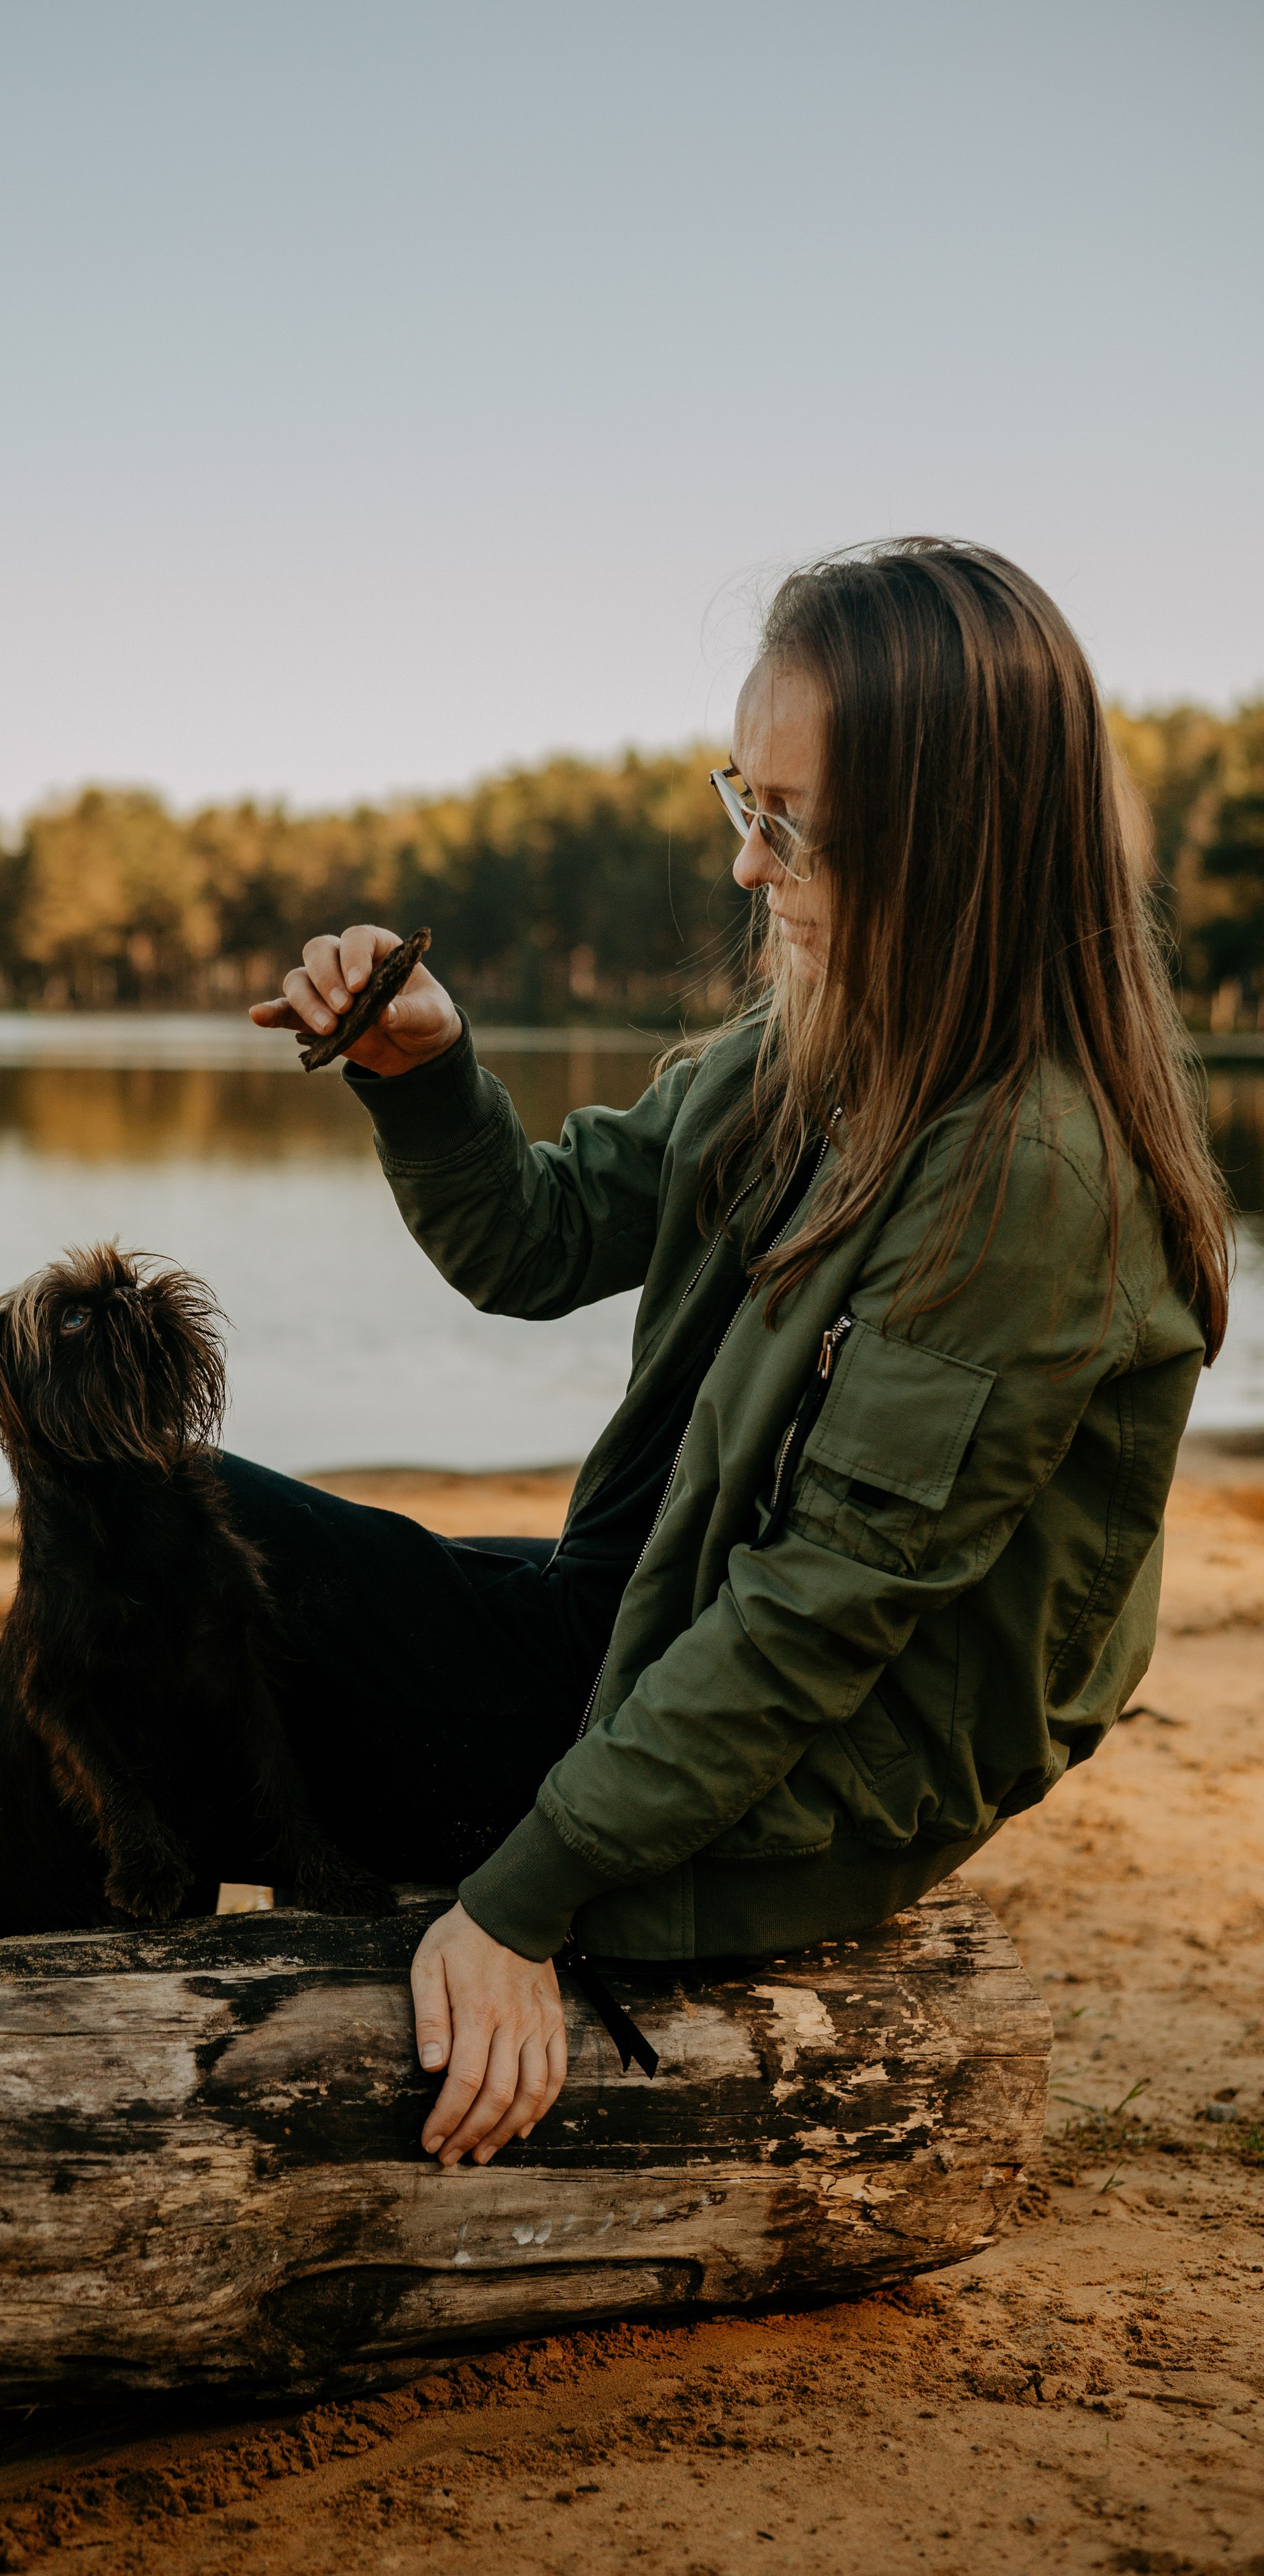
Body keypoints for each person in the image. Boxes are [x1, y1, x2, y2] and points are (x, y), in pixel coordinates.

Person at [239, 536, 1230, 2179]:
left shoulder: (1029, 1179)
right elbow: (534, 1241)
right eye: (739, 801)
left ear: (951, 839)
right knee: (170, 1533)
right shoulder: (808, 1051)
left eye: (791, 825)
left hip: (798, 1786)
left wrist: (519, 1903)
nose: (744, 867)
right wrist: (424, 1073)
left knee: (208, 1584)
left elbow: (810, 1618)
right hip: (643, 1631)